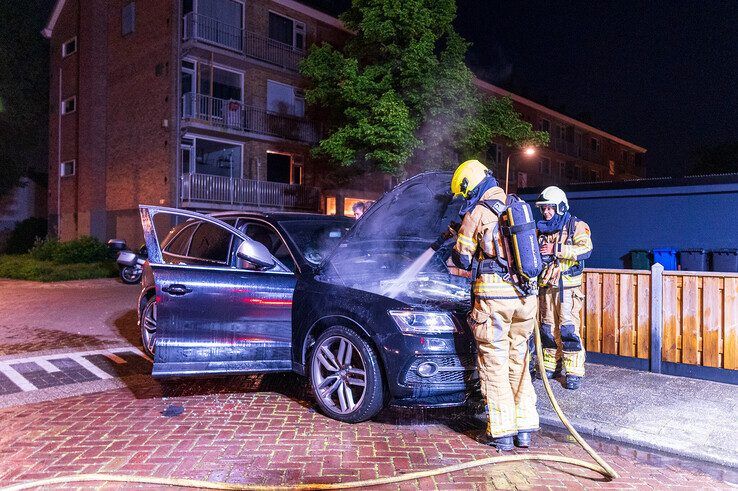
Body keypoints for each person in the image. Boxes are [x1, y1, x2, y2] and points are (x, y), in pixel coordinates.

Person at [448, 159, 539, 451]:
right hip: (526, 299)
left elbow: (462, 257)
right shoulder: (516, 206)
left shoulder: (478, 212)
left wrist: (458, 236)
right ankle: (524, 428)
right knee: (519, 360)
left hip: (494, 300)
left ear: (470, 186)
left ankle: (501, 432)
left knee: (494, 363)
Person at [535, 186, 593, 390]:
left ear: (560, 207)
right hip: (547, 287)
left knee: (568, 329)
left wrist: (556, 249)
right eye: (543, 209)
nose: (546, 212)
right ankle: (551, 365)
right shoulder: (541, 229)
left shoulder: (576, 225)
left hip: (567, 289)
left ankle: (574, 371)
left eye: (550, 208)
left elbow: (586, 249)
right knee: (547, 329)